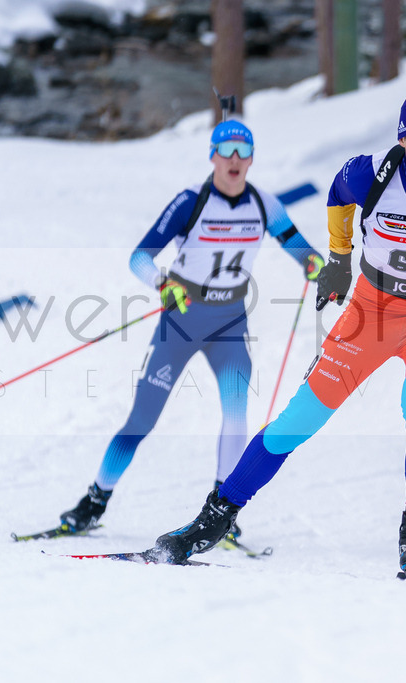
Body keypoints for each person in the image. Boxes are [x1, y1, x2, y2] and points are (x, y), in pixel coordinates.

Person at [148, 85, 406, 576]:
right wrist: (340, 259)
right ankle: (213, 520)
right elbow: (338, 195)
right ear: (403, 138)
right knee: (297, 421)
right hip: (372, 309)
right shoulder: (370, 176)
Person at [57, 119, 324, 538]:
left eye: (243, 152)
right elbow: (139, 258)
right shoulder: (190, 202)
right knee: (142, 418)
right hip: (181, 323)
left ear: (252, 158)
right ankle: (95, 500)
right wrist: (162, 283)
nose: (234, 160)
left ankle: (223, 512)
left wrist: (312, 263)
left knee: (236, 415)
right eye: (226, 151)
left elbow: (295, 244)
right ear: (213, 156)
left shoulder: (265, 204)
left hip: (230, 322)